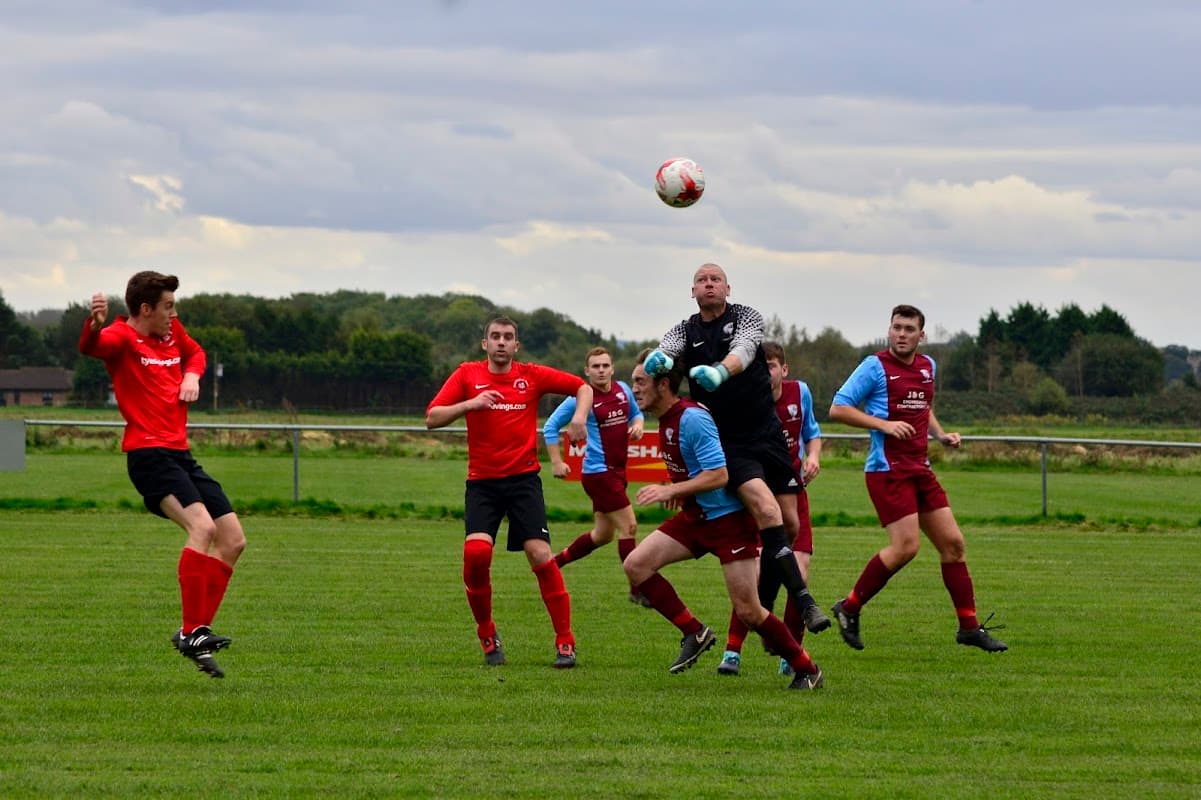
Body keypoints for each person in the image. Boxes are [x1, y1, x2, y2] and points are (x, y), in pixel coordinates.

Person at [644, 263, 830, 635]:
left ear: (728, 288)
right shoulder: (684, 329)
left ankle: (766, 593)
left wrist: (720, 372)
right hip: (730, 442)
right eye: (701, 280)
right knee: (766, 507)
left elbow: (744, 351)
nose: (709, 284)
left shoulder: (747, 316)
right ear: (691, 290)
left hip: (768, 434)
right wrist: (658, 359)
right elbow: (664, 351)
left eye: (715, 279)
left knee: (789, 525)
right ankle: (806, 602)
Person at [78, 271, 247, 679]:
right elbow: (92, 347)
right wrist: (93, 325)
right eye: (168, 307)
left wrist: (191, 375)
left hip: (180, 454)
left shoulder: (173, 335)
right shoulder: (121, 338)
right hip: (148, 456)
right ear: (145, 309)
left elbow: (198, 354)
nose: (175, 313)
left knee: (234, 540)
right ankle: (193, 634)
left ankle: (194, 632)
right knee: (202, 529)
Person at [622, 349, 824, 689]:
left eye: (641, 382)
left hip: (729, 523)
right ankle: (694, 632)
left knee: (750, 611)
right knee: (636, 566)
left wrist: (671, 490)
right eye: (633, 383)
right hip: (696, 518)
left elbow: (719, 475)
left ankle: (807, 669)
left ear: (664, 383)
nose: (635, 390)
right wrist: (682, 491)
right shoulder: (667, 418)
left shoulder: (691, 418)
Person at [827, 304, 1008, 653]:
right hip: (887, 471)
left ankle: (969, 627)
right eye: (896, 327)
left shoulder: (928, 366)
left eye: (909, 329)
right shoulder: (874, 366)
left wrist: (940, 435)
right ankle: (849, 607)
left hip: (919, 469)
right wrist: (884, 424)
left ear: (921, 335)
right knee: (906, 547)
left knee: (953, 545)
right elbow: (838, 408)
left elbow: (924, 406)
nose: (901, 334)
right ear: (889, 330)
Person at [426, 316, 593, 668]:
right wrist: (470, 405)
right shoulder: (467, 375)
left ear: (516, 346)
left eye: (508, 337)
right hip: (483, 483)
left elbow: (583, 387)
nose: (501, 342)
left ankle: (565, 642)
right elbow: (433, 417)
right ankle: (486, 633)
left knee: (540, 555)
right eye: (495, 336)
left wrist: (578, 418)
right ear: (484, 344)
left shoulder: (530, 375)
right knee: (475, 554)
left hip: (523, 482)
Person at [717, 341, 824, 676]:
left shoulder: (800, 393)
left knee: (800, 574)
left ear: (784, 369)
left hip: (792, 495)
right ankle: (732, 650)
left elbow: (813, 433)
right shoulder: (746, 401)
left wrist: (813, 456)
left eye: (772, 366)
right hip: (758, 498)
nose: (767, 373)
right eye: (759, 368)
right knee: (756, 577)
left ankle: (788, 652)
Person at [542, 346, 648, 604]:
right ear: (587, 371)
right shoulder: (579, 398)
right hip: (599, 473)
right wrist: (557, 462)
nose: (601, 370)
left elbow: (637, 413)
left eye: (605, 365)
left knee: (603, 535)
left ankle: (553, 565)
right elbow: (550, 427)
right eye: (595, 367)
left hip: (617, 472)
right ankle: (638, 590)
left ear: (612, 368)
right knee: (629, 527)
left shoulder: (623, 389)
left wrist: (637, 426)